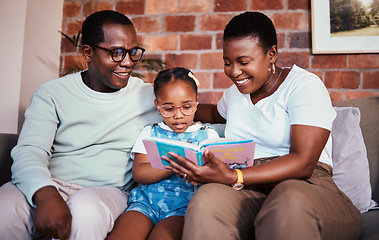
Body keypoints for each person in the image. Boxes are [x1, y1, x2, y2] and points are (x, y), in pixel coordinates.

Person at [163, 12, 362, 240]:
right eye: (227, 63)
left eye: (244, 62)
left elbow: (304, 162)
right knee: (206, 200)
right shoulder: (235, 95)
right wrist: (171, 104)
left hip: (307, 186)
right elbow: (211, 113)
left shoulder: (303, 86)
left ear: (271, 54)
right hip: (248, 190)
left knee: (289, 197)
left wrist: (234, 176)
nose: (234, 72)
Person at [0, 10, 161, 240]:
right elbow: (30, 151)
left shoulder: (148, 96)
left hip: (108, 192)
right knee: (4, 208)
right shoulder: (52, 93)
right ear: (88, 52)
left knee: (85, 211)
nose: (127, 62)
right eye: (116, 52)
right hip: (51, 182)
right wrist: (45, 193)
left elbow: (193, 115)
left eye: (133, 52)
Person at [107, 67, 219, 240]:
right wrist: (173, 166)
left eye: (187, 107)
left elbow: (216, 176)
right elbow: (139, 173)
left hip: (183, 208)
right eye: (169, 109)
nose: (178, 115)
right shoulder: (150, 133)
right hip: (145, 204)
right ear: (157, 106)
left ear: (197, 102)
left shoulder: (208, 135)